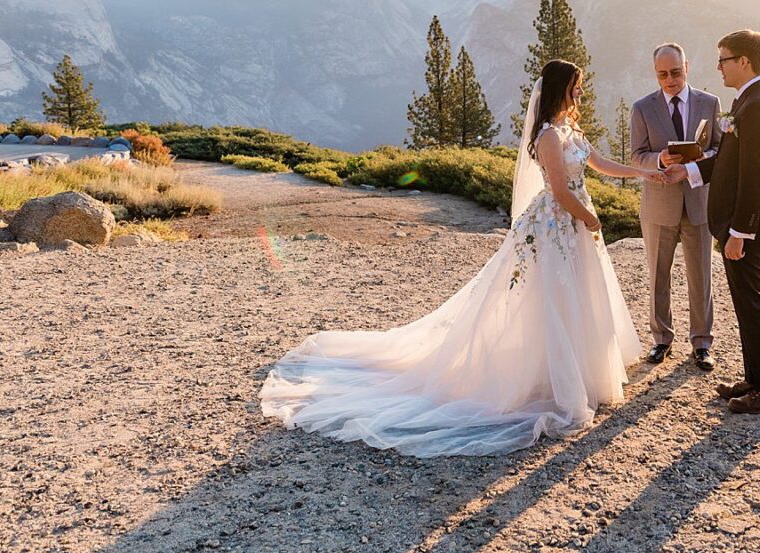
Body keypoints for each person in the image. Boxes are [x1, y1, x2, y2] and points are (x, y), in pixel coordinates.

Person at [259, 59, 661, 456]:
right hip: (558, 225)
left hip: (573, 224)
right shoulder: (548, 137)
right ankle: (556, 382)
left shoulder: (571, 129)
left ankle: (574, 376)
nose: (581, 90)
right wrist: (589, 218)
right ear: (561, 88)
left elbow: (601, 164)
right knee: (554, 299)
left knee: (577, 297)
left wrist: (646, 173)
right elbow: (558, 190)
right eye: (576, 85)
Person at [666, 29, 760, 414]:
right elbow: (728, 160)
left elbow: (754, 174)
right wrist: (688, 171)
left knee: (752, 304)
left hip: (745, 227)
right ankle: (756, 378)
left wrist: (740, 232)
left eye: (723, 59)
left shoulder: (758, 107)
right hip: (737, 225)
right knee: (744, 302)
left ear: (744, 62)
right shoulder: (749, 100)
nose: (718, 66)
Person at [630, 42, 723, 370]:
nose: (670, 80)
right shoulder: (642, 109)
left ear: (688, 67)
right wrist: (659, 159)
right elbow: (636, 155)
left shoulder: (709, 103)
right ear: (655, 74)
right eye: (662, 74)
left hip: (698, 202)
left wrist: (698, 161)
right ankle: (661, 339)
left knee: (701, 276)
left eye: (676, 72)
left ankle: (701, 343)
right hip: (659, 204)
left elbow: (718, 150)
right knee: (658, 275)